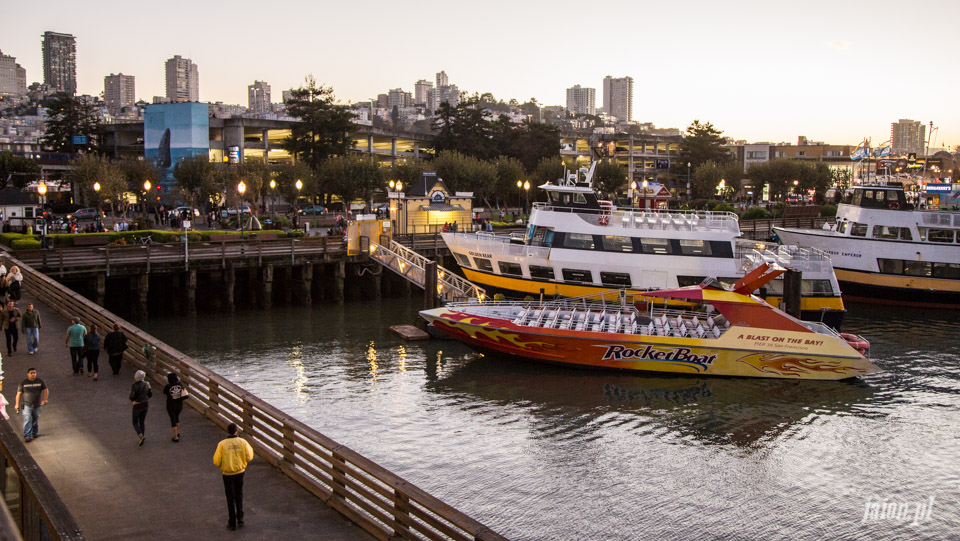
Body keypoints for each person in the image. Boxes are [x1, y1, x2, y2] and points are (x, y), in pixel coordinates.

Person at [213, 423, 254, 530]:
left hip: (227, 473)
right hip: (240, 472)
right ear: (236, 431)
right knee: (239, 493)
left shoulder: (222, 444)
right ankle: (240, 517)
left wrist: (223, 465)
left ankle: (232, 522)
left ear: (228, 431)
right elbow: (249, 456)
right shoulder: (242, 442)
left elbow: (216, 461)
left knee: (230, 497)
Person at [15, 368, 48, 442]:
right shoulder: (23, 383)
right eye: (31, 373)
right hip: (27, 405)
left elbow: (46, 390)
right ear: (28, 374)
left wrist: (45, 399)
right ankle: (27, 435)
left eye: (34, 373)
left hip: (37, 405)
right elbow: (18, 394)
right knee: (27, 419)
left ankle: (34, 432)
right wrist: (16, 404)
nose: (33, 374)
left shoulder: (40, 381)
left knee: (35, 419)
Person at [162, 373, 189, 442]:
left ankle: (175, 436)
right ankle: (177, 432)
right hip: (179, 404)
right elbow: (186, 395)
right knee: (177, 418)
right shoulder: (180, 384)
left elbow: (165, 392)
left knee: (172, 419)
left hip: (171, 404)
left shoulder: (168, 386)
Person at [130, 370, 152, 446]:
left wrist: (131, 400)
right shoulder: (147, 384)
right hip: (145, 404)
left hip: (137, 405)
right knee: (142, 421)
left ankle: (140, 435)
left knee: (135, 422)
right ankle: (142, 436)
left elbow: (132, 396)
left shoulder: (134, 385)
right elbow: (150, 394)